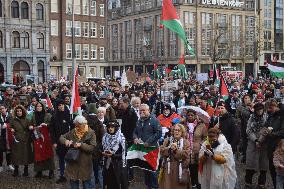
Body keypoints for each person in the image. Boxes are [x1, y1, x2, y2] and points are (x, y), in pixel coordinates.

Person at [60, 115, 96, 189]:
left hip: (85, 162)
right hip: (73, 161)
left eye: (78, 126)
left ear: (83, 124)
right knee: (73, 183)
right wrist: (65, 141)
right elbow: (61, 137)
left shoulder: (91, 133)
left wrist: (81, 145)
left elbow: (92, 148)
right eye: (76, 125)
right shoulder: (73, 131)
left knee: (86, 184)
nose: (76, 128)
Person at [133, 104, 162, 189]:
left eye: (143, 110)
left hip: (152, 149)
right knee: (145, 170)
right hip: (142, 149)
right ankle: (148, 186)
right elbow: (134, 131)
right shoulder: (139, 121)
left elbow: (158, 133)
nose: (141, 112)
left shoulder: (154, 120)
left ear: (148, 110)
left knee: (153, 171)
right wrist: (135, 138)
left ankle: (154, 187)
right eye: (140, 111)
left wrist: (148, 142)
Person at [245, 103, 269, 189]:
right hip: (252, 143)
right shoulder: (251, 117)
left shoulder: (267, 117)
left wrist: (260, 140)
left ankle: (261, 183)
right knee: (250, 163)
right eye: (258, 110)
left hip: (264, 143)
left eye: (261, 109)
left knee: (263, 165)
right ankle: (248, 182)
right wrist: (255, 140)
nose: (260, 111)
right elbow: (248, 130)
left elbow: (267, 129)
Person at [159, 124, 191, 189]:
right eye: (175, 130)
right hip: (168, 168)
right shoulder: (167, 140)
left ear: (182, 132)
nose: (176, 132)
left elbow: (185, 155)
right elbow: (162, 151)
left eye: (179, 130)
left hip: (179, 168)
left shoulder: (186, 142)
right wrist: (169, 149)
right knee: (167, 185)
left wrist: (176, 150)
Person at [50, 99, 73, 183]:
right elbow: (52, 130)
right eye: (59, 105)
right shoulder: (54, 116)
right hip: (59, 141)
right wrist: (54, 142)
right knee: (61, 159)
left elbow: (73, 128)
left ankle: (70, 174)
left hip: (69, 141)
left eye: (62, 104)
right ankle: (62, 175)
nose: (61, 106)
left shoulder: (69, 115)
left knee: (70, 158)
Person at [30, 102, 55, 178]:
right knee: (38, 153)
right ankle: (39, 171)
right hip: (37, 136)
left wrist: (46, 125)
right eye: (37, 106)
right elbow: (31, 123)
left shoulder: (48, 115)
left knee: (48, 153)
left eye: (40, 106)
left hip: (46, 137)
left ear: (43, 107)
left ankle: (51, 171)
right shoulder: (34, 115)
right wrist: (31, 126)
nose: (38, 107)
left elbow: (52, 124)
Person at [102, 121, 128, 189]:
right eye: (109, 127)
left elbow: (124, 154)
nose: (110, 129)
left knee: (119, 183)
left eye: (112, 127)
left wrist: (113, 155)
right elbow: (101, 148)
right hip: (108, 164)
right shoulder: (105, 137)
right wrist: (102, 153)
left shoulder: (121, 138)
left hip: (119, 165)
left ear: (116, 128)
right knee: (109, 183)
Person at [185, 110, 207, 189]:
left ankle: (198, 184)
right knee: (189, 168)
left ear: (195, 116)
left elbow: (205, 137)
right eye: (188, 115)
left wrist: (200, 144)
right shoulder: (183, 125)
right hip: (187, 149)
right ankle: (191, 184)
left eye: (192, 115)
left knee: (197, 168)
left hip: (197, 150)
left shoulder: (201, 125)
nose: (190, 117)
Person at [10, 105, 33, 177]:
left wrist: (30, 127)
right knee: (16, 155)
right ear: (15, 112)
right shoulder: (13, 120)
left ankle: (25, 170)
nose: (19, 112)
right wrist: (11, 129)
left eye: (20, 111)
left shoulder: (27, 120)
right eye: (17, 111)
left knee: (26, 155)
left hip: (25, 140)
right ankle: (16, 170)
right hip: (17, 140)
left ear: (23, 111)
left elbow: (30, 127)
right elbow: (10, 127)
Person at [266, 99, 284, 188]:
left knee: (280, 171)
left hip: (280, 147)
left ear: (276, 106)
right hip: (270, 146)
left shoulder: (282, 115)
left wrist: (272, 134)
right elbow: (266, 125)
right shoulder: (271, 116)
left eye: (271, 107)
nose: (269, 110)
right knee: (272, 169)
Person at [119, 97, 138, 181]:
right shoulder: (125, 111)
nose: (120, 105)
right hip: (126, 138)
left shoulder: (130, 112)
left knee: (129, 158)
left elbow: (133, 127)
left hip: (129, 139)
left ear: (126, 103)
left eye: (121, 103)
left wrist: (130, 138)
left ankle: (130, 176)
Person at [0, 105, 14, 172]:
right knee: (0, 151)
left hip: (8, 135)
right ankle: (0, 165)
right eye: (0, 109)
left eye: (3, 108)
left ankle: (9, 164)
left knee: (9, 150)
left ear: (6, 109)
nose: (2, 110)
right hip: (1, 136)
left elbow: (12, 124)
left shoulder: (10, 116)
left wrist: (7, 125)